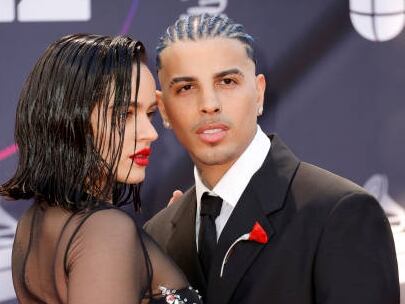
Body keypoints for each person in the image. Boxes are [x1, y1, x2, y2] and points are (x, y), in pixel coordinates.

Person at [144, 13, 399, 304]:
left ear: (259, 93)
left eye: (227, 81)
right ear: (164, 109)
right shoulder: (158, 235)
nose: (209, 105)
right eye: (186, 88)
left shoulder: (340, 214)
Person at [0, 34, 203, 304]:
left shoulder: (37, 219)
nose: (150, 133)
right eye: (124, 115)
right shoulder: (105, 230)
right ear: (72, 120)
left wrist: (159, 252)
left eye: (150, 114)